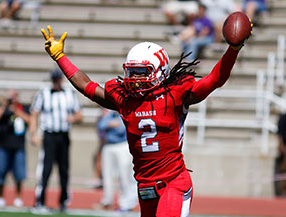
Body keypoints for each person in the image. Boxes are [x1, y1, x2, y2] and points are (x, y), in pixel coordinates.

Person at [40, 17, 251, 216]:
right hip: (145, 186)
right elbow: (87, 86)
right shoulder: (124, 98)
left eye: (141, 72)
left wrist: (233, 49)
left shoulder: (175, 94)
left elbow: (215, 79)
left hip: (172, 183)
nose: (134, 79)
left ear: (160, 71)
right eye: (131, 72)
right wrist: (60, 58)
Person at [30, 68, 82, 213]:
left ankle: (63, 201)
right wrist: (33, 133)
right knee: (45, 169)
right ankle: (40, 201)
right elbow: (34, 114)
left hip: (63, 135)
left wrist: (73, 118)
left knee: (64, 170)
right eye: (54, 79)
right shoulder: (43, 93)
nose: (55, 82)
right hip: (49, 135)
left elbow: (79, 115)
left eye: (57, 79)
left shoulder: (69, 94)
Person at [0, 89, 30, 208]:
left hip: (18, 146)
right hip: (3, 146)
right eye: (10, 97)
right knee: (1, 172)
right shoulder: (2, 108)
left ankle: (18, 198)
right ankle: (0, 197)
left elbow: (29, 120)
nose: (12, 99)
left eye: (14, 97)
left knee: (19, 174)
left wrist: (16, 111)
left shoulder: (22, 108)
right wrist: (4, 106)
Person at [94, 108, 137, 212]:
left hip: (122, 146)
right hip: (108, 145)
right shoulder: (109, 114)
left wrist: (110, 125)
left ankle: (125, 203)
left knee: (124, 176)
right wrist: (110, 123)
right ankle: (107, 201)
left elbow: (121, 129)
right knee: (107, 175)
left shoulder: (126, 112)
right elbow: (100, 125)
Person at [275, 113, 286, 196]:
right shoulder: (283, 117)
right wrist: (281, 147)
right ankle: (282, 193)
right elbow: (280, 134)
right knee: (283, 172)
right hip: (285, 149)